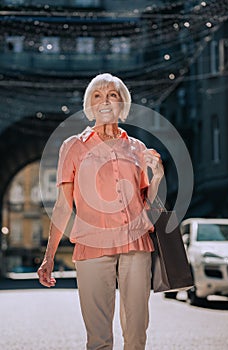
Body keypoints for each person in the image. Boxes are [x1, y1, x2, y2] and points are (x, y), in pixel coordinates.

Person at [37, 73, 164, 350]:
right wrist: (49, 257)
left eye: (113, 95)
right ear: (89, 105)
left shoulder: (137, 148)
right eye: (98, 96)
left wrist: (156, 178)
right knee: (98, 338)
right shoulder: (73, 147)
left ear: (123, 104)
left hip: (136, 244)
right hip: (91, 245)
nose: (105, 101)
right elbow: (63, 205)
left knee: (137, 333)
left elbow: (148, 205)